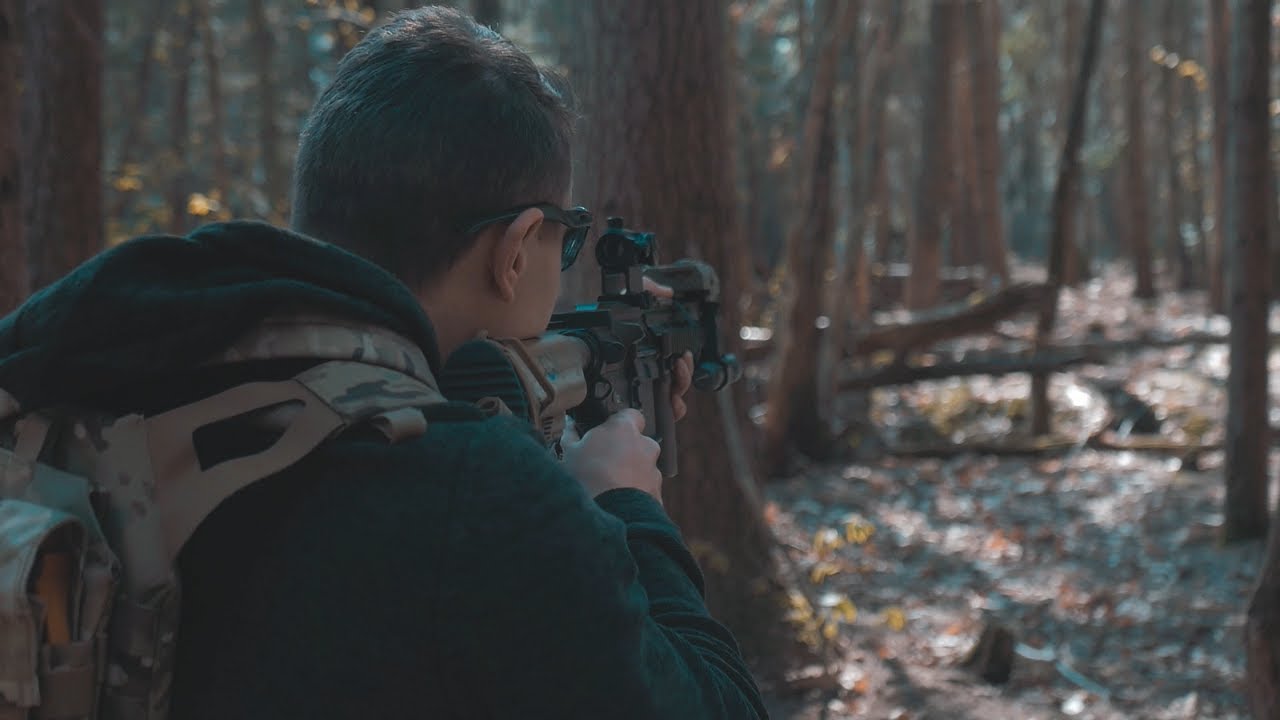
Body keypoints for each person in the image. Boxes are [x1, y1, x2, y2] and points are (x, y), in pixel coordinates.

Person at [0, 4, 769, 719]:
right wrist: (627, 509)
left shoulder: (103, 367)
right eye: (563, 237)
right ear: (512, 251)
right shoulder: (480, 499)